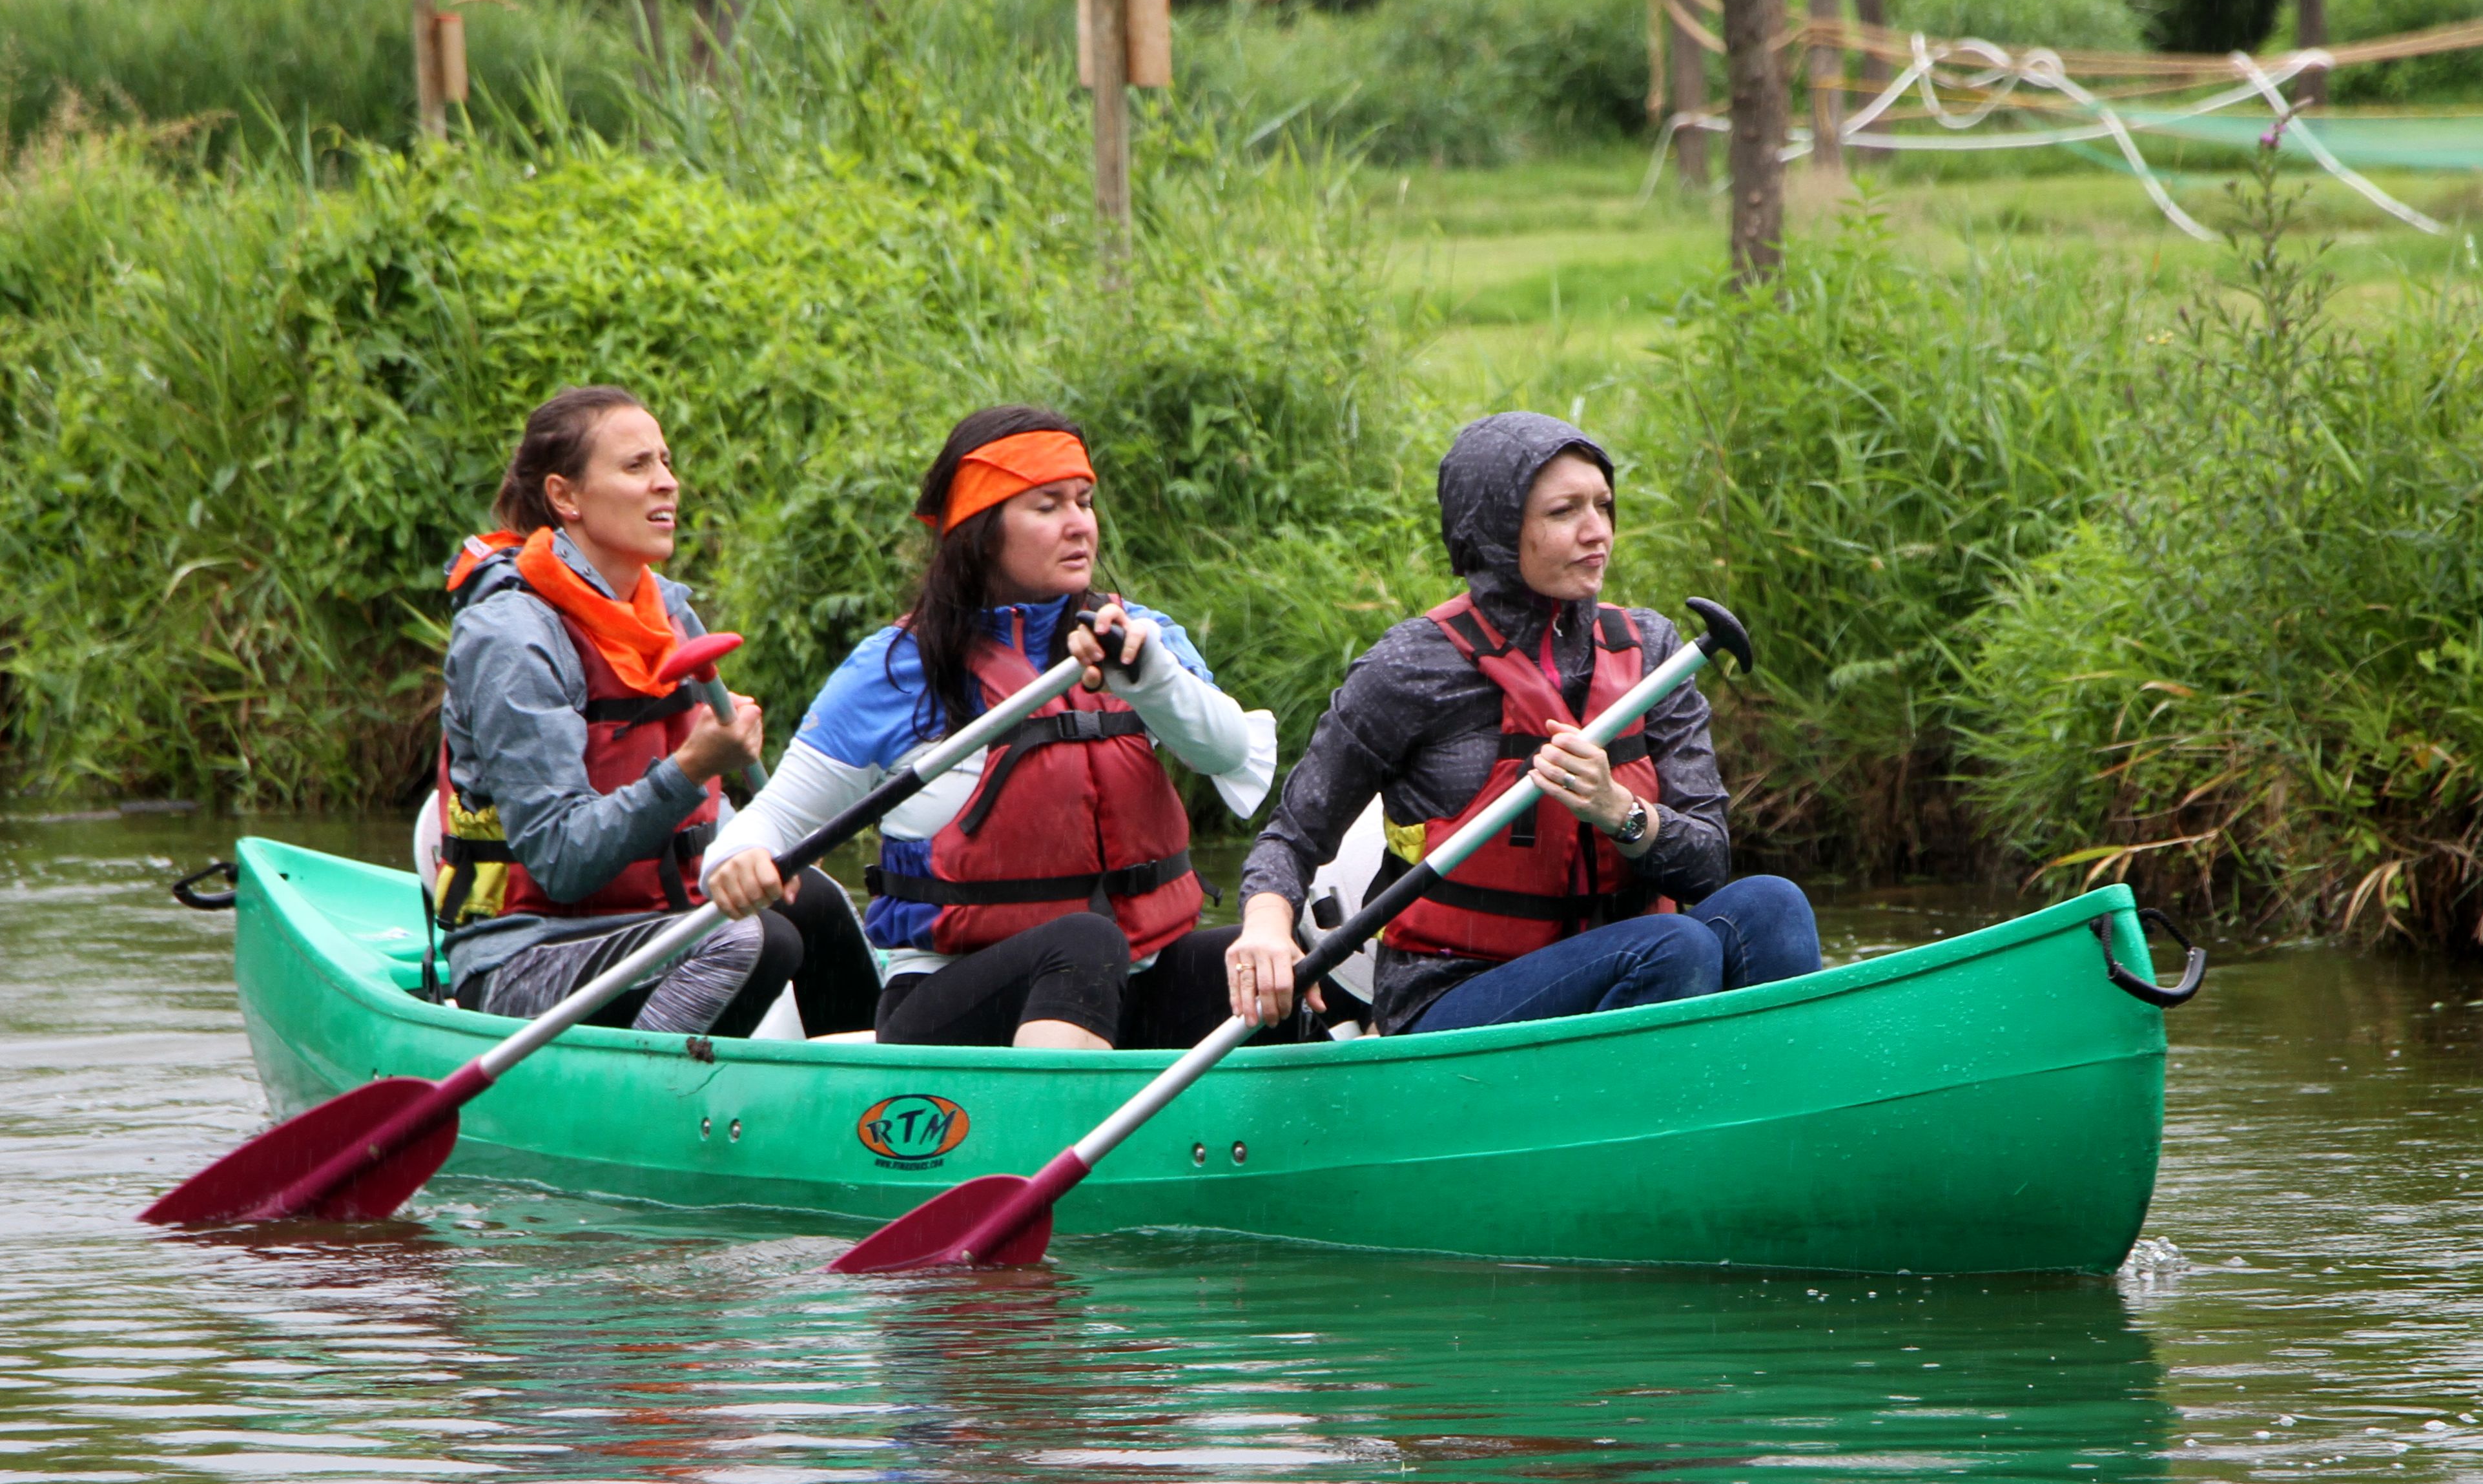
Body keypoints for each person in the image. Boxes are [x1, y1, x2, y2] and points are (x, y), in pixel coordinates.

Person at [700, 405, 1280, 1050]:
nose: (1078, 524)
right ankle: (1054, 1117)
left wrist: (1151, 678)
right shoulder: (895, 669)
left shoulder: (1140, 638)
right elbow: (772, 821)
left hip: (1129, 986)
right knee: (1084, 944)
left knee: (1270, 962)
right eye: (1047, 506)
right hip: (948, 1004)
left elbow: (1230, 754)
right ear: (980, 533)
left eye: (1084, 501)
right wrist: (736, 859)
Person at [1230, 411, 1819, 1036]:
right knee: (1675, 947)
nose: (1597, 532)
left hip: (1637, 958)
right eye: (1565, 512)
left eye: (1604, 505)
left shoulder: (1652, 651)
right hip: (1457, 995)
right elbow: (1292, 837)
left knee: (1772, 906)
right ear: (1496, 529)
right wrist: (1266, 926)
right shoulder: (1410, 669)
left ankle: (1776, 1087)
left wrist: (1620, 812)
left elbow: (1707, 866)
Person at [431, 386, 876, 1038]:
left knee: (814, 900)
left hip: (659, 923)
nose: (667, 482)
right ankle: (646, 1090)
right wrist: (690, 767)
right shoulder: (511, 636)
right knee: (751, 939)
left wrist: (750, 848)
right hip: (527, 956)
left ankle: (877, 1092)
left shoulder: (668, 612)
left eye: (665, 462)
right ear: (566, 497)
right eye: (637, 466)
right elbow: (560, 860)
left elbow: (707, 820)